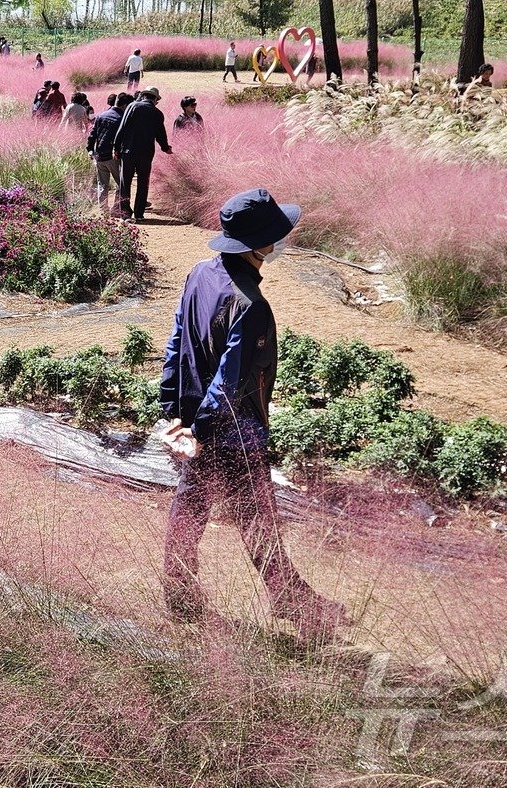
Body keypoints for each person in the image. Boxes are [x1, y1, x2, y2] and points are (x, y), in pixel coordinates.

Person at [158, 188, 348, 637]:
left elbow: (175, 342)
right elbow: (231, 379)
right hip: (231, 430)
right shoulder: (251, 306)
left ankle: (185, 593)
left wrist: (174, 411)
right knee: (251, 514)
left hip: (193, 419)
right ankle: (290, 601)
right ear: (259, 245)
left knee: (195, 507)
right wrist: (200, 430)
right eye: (276, 234)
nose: (281, 241)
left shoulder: (199, 275)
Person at [114, 86, 172, 223]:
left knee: (125, 183)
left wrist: (116, 147)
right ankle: (139, 214)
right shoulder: (158, 113)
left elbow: (122, 127)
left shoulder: (132, 106)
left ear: (144, 96)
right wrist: (166, 148)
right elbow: (161, 135)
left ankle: (126, 214)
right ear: (155, 99)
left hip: (128, 151)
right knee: (143, 183)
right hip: (146, 153)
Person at [87, 92, 132, 214]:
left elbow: (93, 134)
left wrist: (90, 149)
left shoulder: (101, 115)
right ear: (125, 105)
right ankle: (117, 209)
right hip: (114, 156)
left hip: (100, 155)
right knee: (121, 184)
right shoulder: (122, 119)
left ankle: (103, 210)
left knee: (102, 185)